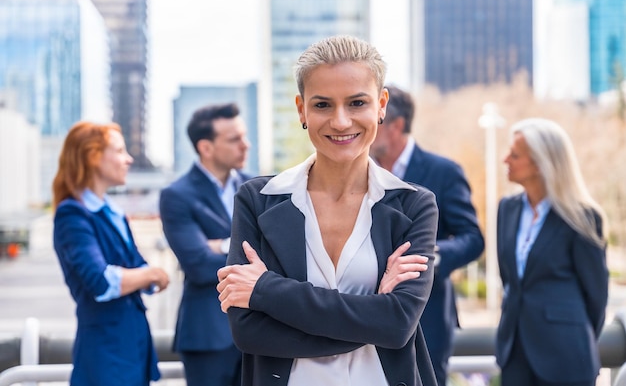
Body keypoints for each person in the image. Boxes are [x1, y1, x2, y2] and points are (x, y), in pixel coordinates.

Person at [216, 35, 439, 386]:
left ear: (381, 105)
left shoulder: (413, 204)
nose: (340, 121)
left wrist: (266, 290)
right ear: (301, 108)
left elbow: (398, 325)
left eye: (356, 103)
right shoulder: (258, 200)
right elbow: (249, 332)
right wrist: (373, 314)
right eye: (322, 105)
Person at [370, 84, 484, 385]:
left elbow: (473, 238)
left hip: (428, 318)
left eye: (373, 118)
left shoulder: (444, 172)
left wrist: (431, 257)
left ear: (395, 126)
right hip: (366, 315)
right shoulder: (359, 174)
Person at [52, 121, 170, 386]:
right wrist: (150, 274)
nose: (128, 159)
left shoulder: (112, 211)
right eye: (119, 151)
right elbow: (101, 282)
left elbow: (134, 264)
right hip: (106, 352)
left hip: (133, 345)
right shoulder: (73, 214)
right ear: (93, 157)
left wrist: (143, 275)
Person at [496, 118, 609, 386]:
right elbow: (510, 280)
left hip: (567, 358)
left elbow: (596, 297)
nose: (505, 160)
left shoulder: (582, 217)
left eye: (514, 154)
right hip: (515, 355)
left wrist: (571, 336)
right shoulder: (507, 209)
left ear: (540, 163)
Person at [159, 103, 250, 386]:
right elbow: (198, 265)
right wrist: (241, 249)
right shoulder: (177, 195)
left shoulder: (257, 188)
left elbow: (278, 253)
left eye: (243, 136)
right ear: (206, 148)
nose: (245, 145)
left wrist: (219, 246)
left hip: (258, 333)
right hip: (208, 336)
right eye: (234, 139)